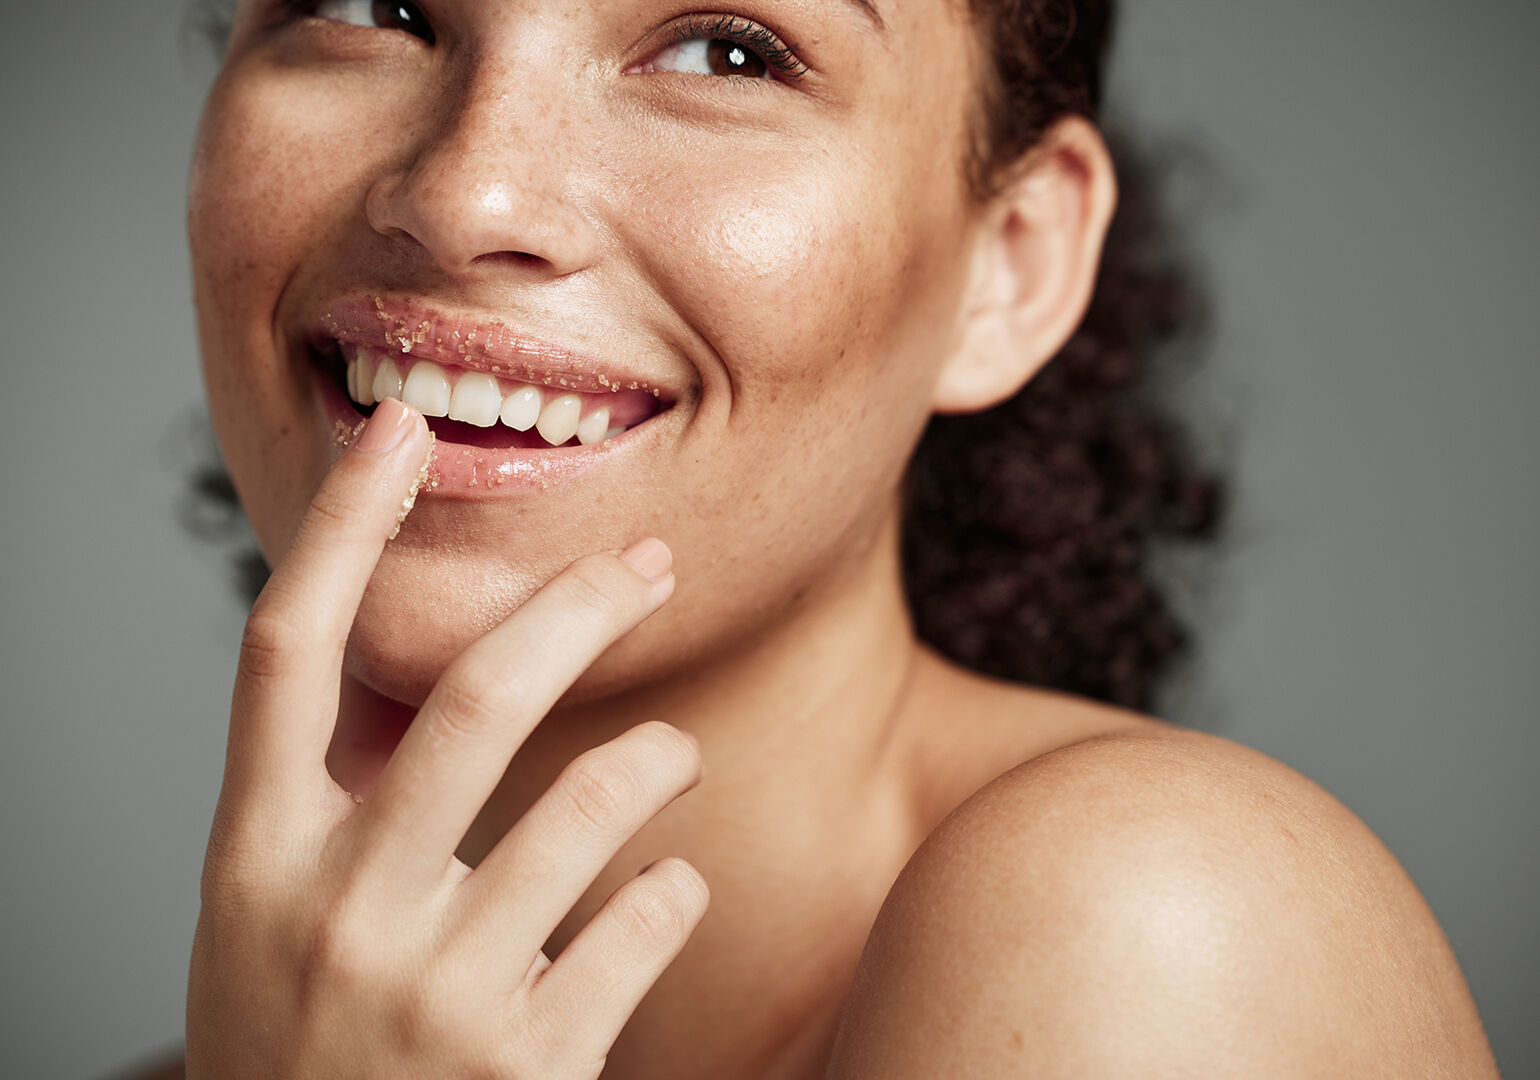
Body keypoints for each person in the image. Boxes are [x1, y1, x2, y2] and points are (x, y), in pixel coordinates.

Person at [125, 0, 1498, 1076]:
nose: (466, 196)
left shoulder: (1161, 928)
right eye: (372, 5)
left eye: (729, 51)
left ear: (1008, 264)